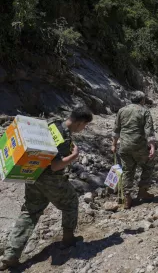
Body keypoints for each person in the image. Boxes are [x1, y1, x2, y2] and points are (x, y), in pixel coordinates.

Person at [0, 107, 93, 271]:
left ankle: (10, 255)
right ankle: (68, 239)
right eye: (84, 125)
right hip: (50, 180)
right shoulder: (64, 139)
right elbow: (56, 166)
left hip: (33, 175)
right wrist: (73, 157)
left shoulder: (53, 123)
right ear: (79, 122)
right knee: (71, 202)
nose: (83, 129)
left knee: (30, 212)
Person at [111, 91, 156, 209]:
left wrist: (114, 144)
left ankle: (127, 197)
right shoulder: (144, 111)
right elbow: (149, 131)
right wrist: (152, 145)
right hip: (139, 146)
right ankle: (142, 190)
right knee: (149, 164)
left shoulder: (122, 110)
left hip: (124, 146)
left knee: (127, 170)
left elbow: (116, 130)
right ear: (142, 100)